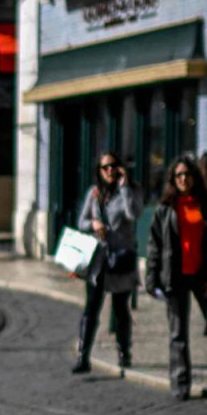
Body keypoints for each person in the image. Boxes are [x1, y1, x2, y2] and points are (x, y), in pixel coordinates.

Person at [145, 156, 207, 400]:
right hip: (175, 277)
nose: (183, 179)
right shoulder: (165, 208)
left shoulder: (206, 205)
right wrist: (151, 279)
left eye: (187, 175)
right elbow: (154, 246)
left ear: (195, 177)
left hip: (202, 277)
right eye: (178, 175)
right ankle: (180, 385)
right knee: (178, 334)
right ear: (172, 179)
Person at [73, 152, 141, 373]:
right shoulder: (94, 194)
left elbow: (133, 214)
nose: (110, 171)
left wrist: (124, 187)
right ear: (99, 172)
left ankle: (124, 353)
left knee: (121, 309)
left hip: (121, 258)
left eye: (114, 166)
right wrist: (93, 224)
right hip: (99, 260)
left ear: (121, 169)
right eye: (105, 168)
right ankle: (83, 356)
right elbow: (81, 221)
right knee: (91, 308)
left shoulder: (131, 191)